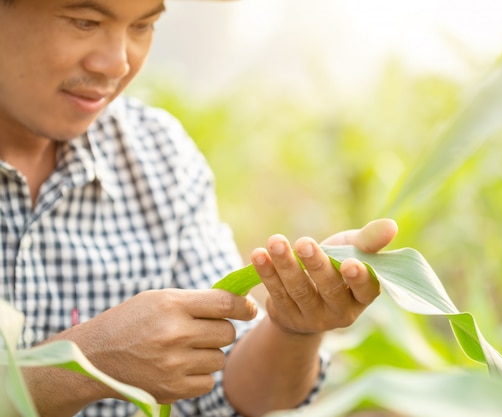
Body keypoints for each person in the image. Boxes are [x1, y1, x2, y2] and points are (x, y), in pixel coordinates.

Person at [0, 0, 398, 416]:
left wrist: (295, 329)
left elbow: (222, 388)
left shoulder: (160, 155)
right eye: (85, 22)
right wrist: (84, 366)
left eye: (143, 25)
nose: (117, 63)